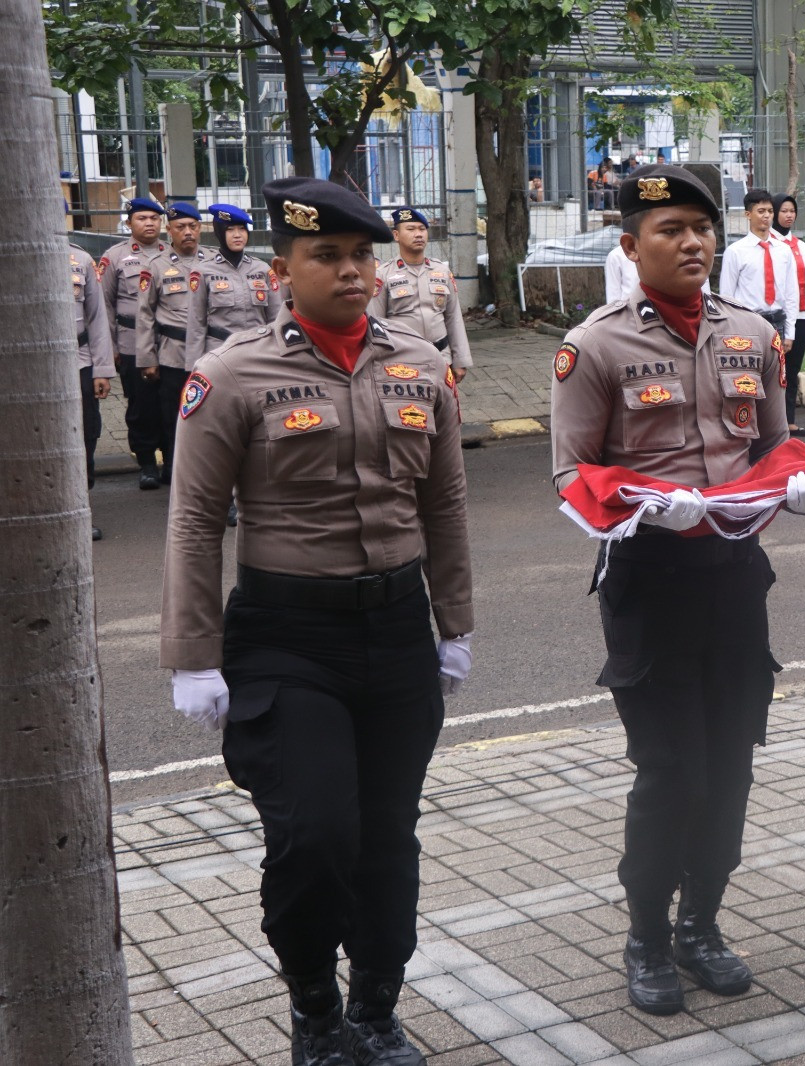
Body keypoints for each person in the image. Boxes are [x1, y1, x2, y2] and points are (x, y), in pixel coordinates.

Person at [159, 176, 473, 1066]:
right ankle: (315, 1012)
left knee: (386, 834)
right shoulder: (230, 376)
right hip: (288, 638)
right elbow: (191, 519)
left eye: (361, 254)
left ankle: (376, 1007)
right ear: (282, 270)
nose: (351, 271)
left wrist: (455, 623)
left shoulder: (419, 364)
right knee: (315, 835)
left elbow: (446, 504)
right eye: (327, 256)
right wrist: (194, 654)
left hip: (397, 632)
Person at [549, 163, 805, 1017]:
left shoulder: (752, 334)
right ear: (631, 245)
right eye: (670, 230)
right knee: (670, 769)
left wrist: (800, 481)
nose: (693, 244)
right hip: (650, 579)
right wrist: (644, 505)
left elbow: (778, 445)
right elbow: (571, 473)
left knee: (731, 763)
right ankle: (645, 934)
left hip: (734, 577)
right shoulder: (596, 344)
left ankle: (700, 922)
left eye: (702, 229)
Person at [135, 201, 212, 481]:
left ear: (200, 228)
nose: (188, 232)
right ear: (170, 231)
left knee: (209, 413)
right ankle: (173, 467)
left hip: (208, 353)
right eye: (181, 227)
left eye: (193, 226)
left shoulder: (214, 262)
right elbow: (145, 316)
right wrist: (147, 359)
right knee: (172, 414)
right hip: (172, 354)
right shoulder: (155, 266)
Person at [98, 196, 169, 489]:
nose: (149, 223)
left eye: (154, 218)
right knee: (141, 405)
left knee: (170, 403)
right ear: (129, 224)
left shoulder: (172, 253)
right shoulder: (114, 257)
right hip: (130, 343)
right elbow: (104, 307)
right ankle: (147, 463)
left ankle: (171, 459)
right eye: (142, 218)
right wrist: (110, 348)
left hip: (167, 343)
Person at [369, 207, 473, 383]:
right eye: (410, 229)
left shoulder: (441, 270)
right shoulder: (383, 275)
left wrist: (460, 360)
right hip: (401, 362)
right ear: (396, 235)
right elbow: (375, 323)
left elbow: (453, 317)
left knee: (445, 408)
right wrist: (378, 364)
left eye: (422, 229)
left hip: (441, 357)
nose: (418, 234)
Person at [185, 204, 283, 367]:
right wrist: (193, 366)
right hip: (220, 355)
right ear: (219, 233)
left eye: (242, 229)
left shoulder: (262, 269)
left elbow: (276, 318)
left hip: (258, 354)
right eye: (230, 230)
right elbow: (196, 323)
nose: (237, 235)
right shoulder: (203, 271)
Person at [718, 189, 798, 352]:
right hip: (747, 322)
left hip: (777, 321)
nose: (766, 216)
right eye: (761, 211)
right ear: (748, 214)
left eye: (770, 211)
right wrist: (730, 330)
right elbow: (727, 296)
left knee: (776, 373)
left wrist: (790, 332)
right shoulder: (736, 251)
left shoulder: (783, 250)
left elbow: (791, 293)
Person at [71, 244, 115, 542]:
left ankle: (81, 509)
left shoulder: (81, 259)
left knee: (87, 433)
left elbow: (97, 318)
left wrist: (102, 369)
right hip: (28, 366)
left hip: (79, 360)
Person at [773, 193, 805, 437]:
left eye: (792, 211)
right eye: (784, 210)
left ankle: (789, 420)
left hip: (800, 315)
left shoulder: (800, 245)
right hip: (777, 317)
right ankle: (772, 422)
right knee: (773, 370)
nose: (789, 215)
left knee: (792, 370)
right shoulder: (769, 243)